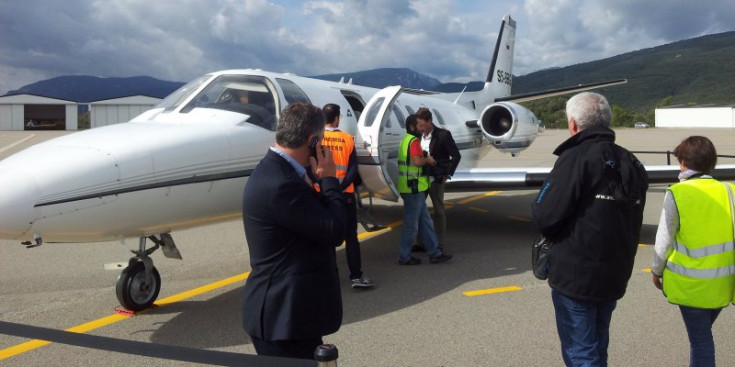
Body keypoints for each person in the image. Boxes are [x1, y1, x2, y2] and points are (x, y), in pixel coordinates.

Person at [531, 92, 648, 366]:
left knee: (581, 352)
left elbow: (545, 214)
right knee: (597, 346)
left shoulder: (574, 158)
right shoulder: (631, 162)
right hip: (614, 274)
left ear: (573, 124)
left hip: (576, 278)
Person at [241, 102, 346, 359]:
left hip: (290, 317)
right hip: (283, 320)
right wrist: (330, 178)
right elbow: (334, 230)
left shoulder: (280, 172)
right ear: (312, 141)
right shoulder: (282, 184)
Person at [651, 136, 735, 367]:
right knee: (701, 335)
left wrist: (656, 271)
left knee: (701, 342)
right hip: (723, 285)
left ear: (684, 162)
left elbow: (664, 239)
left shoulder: (678, 193)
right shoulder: (729, 191)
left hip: (692, 287)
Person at [314, 103, 374, 289]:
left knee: (327, 238)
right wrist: (341, 186)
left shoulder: (316, 140)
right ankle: (356, 276)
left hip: (322, 195)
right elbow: (353, 170)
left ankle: (330, 278)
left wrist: (327, 187)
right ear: (337, 118)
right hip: (345, 196)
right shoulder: (348, 139)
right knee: (351, 237)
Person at [397, 114, 453, 265]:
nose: (423, 130)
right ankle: (405, 256)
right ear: (412, 127)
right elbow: (416, 162)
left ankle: (434, 253)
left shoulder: (405, 140)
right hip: (413, 189)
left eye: (423, 126)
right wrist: (427, 159)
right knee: (411, 224)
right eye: (420, 126)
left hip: (411, 187)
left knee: (426, 221)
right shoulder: (414, 141)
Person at [413, 107, 461, 252]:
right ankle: (420, 243)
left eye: (422, 125)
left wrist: (447, 172)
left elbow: (456, 156)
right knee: (420, 211)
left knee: (439, 211)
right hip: (421, 179)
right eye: (418, 125)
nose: (420, 128)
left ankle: (440, 243)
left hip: (436, 179)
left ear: (429, 121)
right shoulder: (418, 136)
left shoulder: (443, 135)